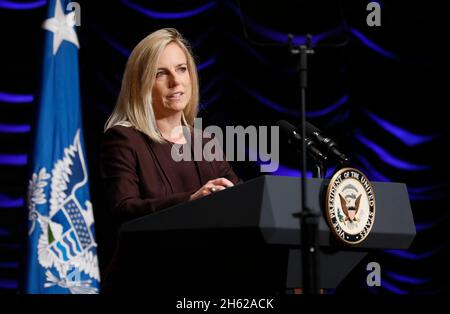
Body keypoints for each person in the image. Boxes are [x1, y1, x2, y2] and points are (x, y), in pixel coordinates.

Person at [99, 28, 240, 292]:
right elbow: (124, 208)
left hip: (204, 281)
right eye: (160, 73)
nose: (176, 81)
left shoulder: (205, 143)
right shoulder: (123, 138)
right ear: (140, 84)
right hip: (145, 282)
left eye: (182, 69)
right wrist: (190, 202)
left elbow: (242, 201)